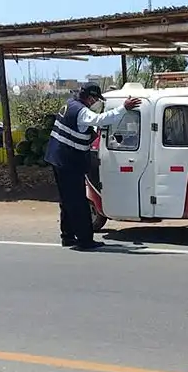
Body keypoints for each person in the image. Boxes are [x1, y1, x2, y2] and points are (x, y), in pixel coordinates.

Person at [44, 82, 141, 250]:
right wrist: (123, 108)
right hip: (68, 162)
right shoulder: (81, 111)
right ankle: (84, 240)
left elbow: (83, 128)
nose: (95, 102)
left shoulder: (70, 105)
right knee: (79, 202)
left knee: (67, 200)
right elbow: (99, 119)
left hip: (58, 159)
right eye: (96, 99)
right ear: (90, 97)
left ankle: (67, 237)